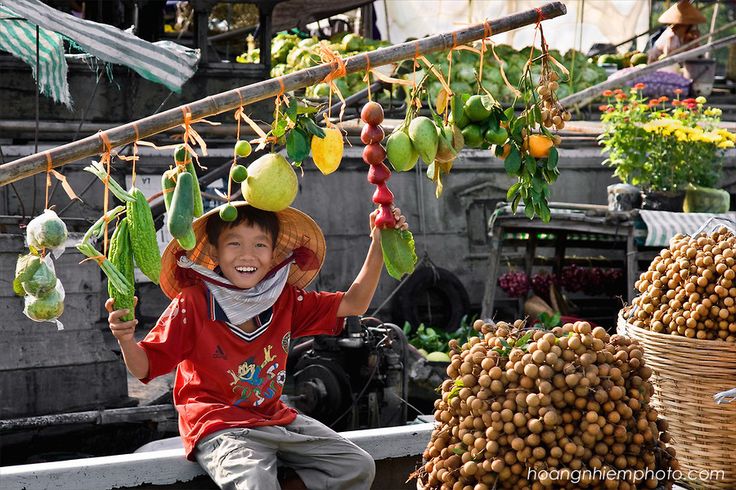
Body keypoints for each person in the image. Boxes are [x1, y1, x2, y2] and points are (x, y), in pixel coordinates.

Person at [107, 201, 408, 490]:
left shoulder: (284, 298)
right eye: (234, 243)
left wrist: (379, 242)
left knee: (357, 466)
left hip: (274, 417)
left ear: (274, 253)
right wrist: (125, 338)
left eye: (260, 245)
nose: (247, 255)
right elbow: (144, 366)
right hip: (218, 426)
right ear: (214, 251)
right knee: (255, 483)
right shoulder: (194, 302)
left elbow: (354, 303)